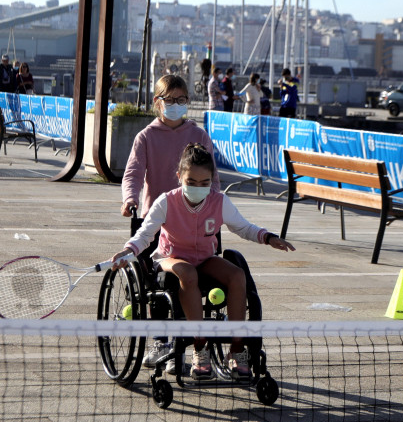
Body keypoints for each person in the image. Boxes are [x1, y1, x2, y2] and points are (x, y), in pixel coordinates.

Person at [112, 143, 295, 380]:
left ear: (212, 180)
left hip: (205, 258)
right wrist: (127, 251)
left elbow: (244, 227)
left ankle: (237, 349)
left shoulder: (219, 201)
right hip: (170, 259)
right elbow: (145, 234)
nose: (198, 188)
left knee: (237, 275)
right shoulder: (167, 201)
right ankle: (200, 346)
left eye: (204, 183)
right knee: (188, 274)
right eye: (191, 182)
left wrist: (269, 238)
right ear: (179, 177)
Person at [121, 74, 221, 373]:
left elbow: (213, 177)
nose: (176, 105)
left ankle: (198, 346)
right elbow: (134, 173)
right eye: (170, 100)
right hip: (159, 219)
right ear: (158, 102)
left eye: (181, 100)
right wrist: (129, 199)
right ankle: (161, 340)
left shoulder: (199, 135)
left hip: (196, 219)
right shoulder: (146, 137)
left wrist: (215, 203)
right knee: (156, 285)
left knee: (200, 278)